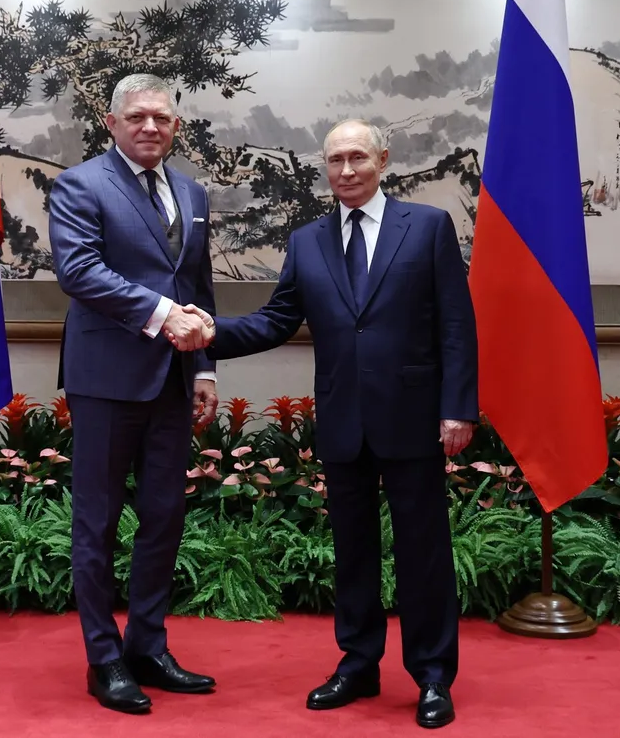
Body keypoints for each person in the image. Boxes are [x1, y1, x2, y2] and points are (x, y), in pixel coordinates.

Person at [172, 119, 477, 729]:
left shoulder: (428, 227)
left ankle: (432, 675)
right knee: (352, 551)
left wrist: (458, 407)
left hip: (414, 416)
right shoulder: (307, 240)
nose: (346, 170)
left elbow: (456, 324)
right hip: (342, 418)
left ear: (383, 159)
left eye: (357, 157)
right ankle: (358, 664)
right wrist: (210, 333)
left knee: (423, 552)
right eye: (335, 160)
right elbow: (277, 319)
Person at [49, 73, 220, 714]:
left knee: (164, 518)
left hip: (174, 381)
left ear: (176, 126)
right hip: (105, 381)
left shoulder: (192, 192)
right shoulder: (80, 184)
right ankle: (104, 659)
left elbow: (197, 285)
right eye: (138, 117)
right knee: (96, 523)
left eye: (163, 118)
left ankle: (147, 646)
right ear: (112, 123)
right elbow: (79, 271)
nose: (151, 127)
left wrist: (204, 369)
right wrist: (161, 313)